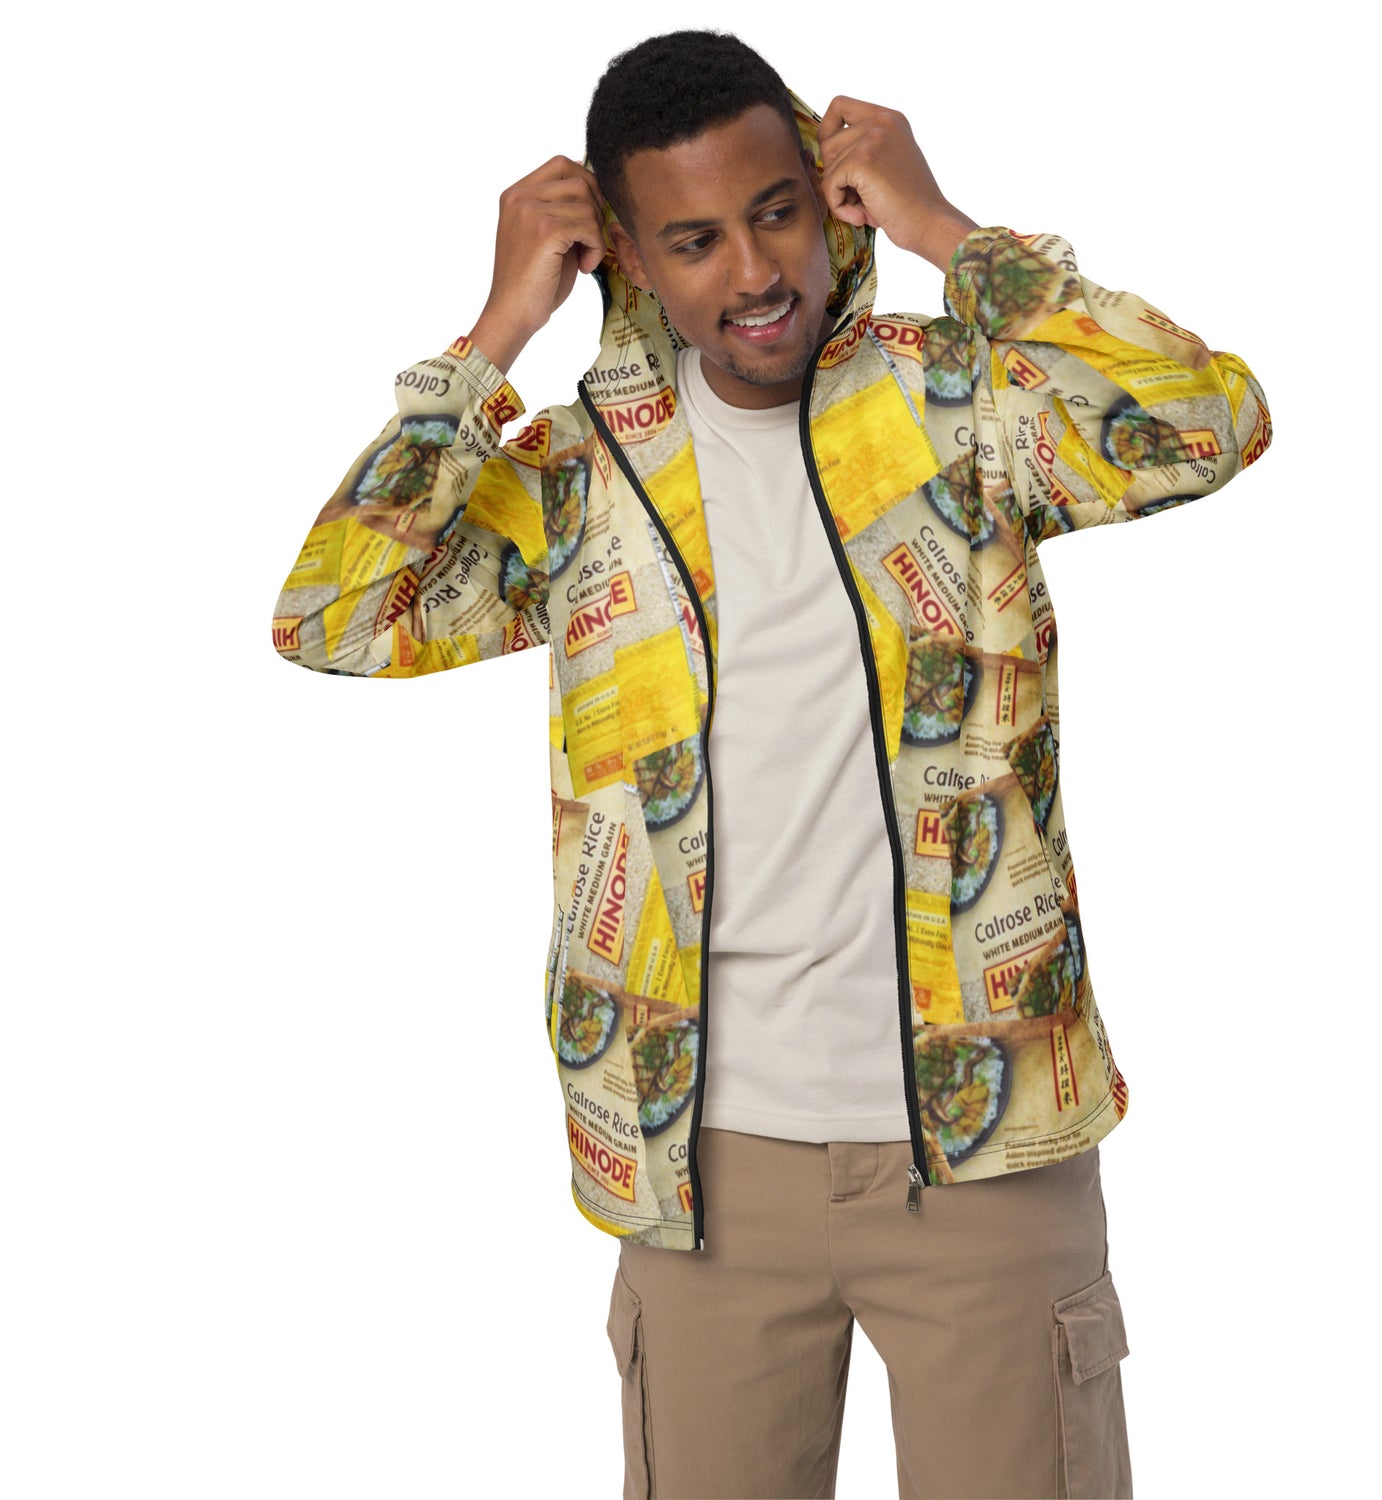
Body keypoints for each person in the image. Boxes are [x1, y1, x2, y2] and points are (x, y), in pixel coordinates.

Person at [269, 27, 1272, 1500]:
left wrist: (946, 229)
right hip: (700, 1165)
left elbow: (1211, 419)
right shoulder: (579, 474)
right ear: (626, 256)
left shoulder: (959, 405)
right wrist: (493, 334)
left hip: (987, 1140)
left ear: (825, 193)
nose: (754, 272)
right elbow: (332, 617)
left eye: (777, 212)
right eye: (694, 241)